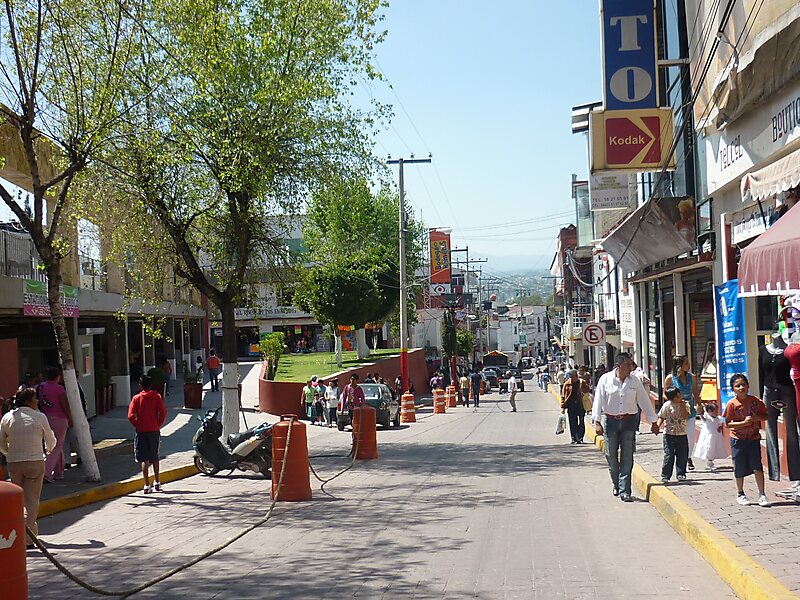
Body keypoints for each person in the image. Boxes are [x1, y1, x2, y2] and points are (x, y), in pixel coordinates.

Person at [593, 353, 660, 502]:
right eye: (629, 364)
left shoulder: (634, 381)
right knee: (610, 454)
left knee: (627, 455)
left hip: (629, 422)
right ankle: (616, 483)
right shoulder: (605, 380)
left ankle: (625, 490)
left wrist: (653, 422)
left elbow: (644, 401)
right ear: (619, 365)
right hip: (611, 422)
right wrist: (597, 421)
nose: (632, 367)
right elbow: (598, 400)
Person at [0, 387, 56, 547]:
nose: (37, 401)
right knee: (31, 500)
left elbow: (1, 441)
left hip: (14, 462)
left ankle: (25, 533)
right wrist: (49, 449)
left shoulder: (7, 417)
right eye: (35, 398)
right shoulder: (39, 417)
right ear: (29, 401)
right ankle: (27, 536)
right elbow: (50, 438)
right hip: (35, 461)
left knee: (18, 499)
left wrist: (8, 454)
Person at [723, 373, 770, 507]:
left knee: (757, 466)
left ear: (748, 386)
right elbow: (727, 423)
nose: (741, 387)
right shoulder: (732, 404)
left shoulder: (755, 401)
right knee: (739, 467)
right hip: (738, 440)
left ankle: (762, 494)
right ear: (733, 389)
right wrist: (742, 423)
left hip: (753, 439)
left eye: (743, 384)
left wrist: (756, 418)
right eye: (737, 385)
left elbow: (766, 415)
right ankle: (740, 493)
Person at [127, 375, 167, 494]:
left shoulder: (136, 398)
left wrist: (138, 424)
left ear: (140, 385)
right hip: (154, 430)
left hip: (141, 431)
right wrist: (157, 423)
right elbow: (163, 412)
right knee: (154, 456)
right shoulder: (157, 397)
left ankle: (146, 485)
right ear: (151, 385)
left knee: (144, 459)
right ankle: (157, 482)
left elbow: (130, 415)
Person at [664, 355, 702, 471]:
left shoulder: (692, 377)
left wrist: (699, 405)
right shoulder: (671, 378)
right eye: (686, 363)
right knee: (677, 437)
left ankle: (688, 457)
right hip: (675, 413)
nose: (689, 365)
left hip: (689, 410)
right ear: (679, 365)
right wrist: (675, 401)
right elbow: (665, 394)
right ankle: (679, 458)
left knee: (690, 436)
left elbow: (695, 393)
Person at [38, 367, 71, 482]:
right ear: (58, 376)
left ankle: (59, 471)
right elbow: (65, 404)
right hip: (59, 418)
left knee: (55, 444)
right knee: (56, 445)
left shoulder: (41, 387)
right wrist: (70, 417)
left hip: (44, 417)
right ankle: (47, 473)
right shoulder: (59, 388)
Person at [657, 387, 691, 483]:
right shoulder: (667, 405)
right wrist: (657, 427)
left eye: (680, 394)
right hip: (669, 434)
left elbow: (685, 416)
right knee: (669, 455)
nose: (680, 396)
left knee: (682, 455)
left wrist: (683, 406)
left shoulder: (686, 405)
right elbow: (661, 417)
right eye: (677, 395)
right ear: (672, 398)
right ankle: (665, 475)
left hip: (682, 434)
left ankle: (681, 474)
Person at [694, 402, 727, 472]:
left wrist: (720, 427)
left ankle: (710, 461)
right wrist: (700, 410)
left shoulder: (718, 418)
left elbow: (720, 424)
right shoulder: (707, 417)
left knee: (714, 448)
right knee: (709, 448)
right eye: (715, 411)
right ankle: (709, 462)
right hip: (708, 436)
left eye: (717, 411)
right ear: (709, 411)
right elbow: (702, 417)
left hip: (716, 437)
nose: (716, 413)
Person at [561, 370, 588, 443]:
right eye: (572, 377)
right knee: (572, 422)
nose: (574, 378)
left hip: (580, 405)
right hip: (571, 405)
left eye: (575, 376)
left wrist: (583, 390)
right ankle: (573, 438)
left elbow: (587, 390)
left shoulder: (582, 382)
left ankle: (580, 438)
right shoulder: (567, 384)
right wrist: (563, 407)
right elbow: (563, 396)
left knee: (581, 422)